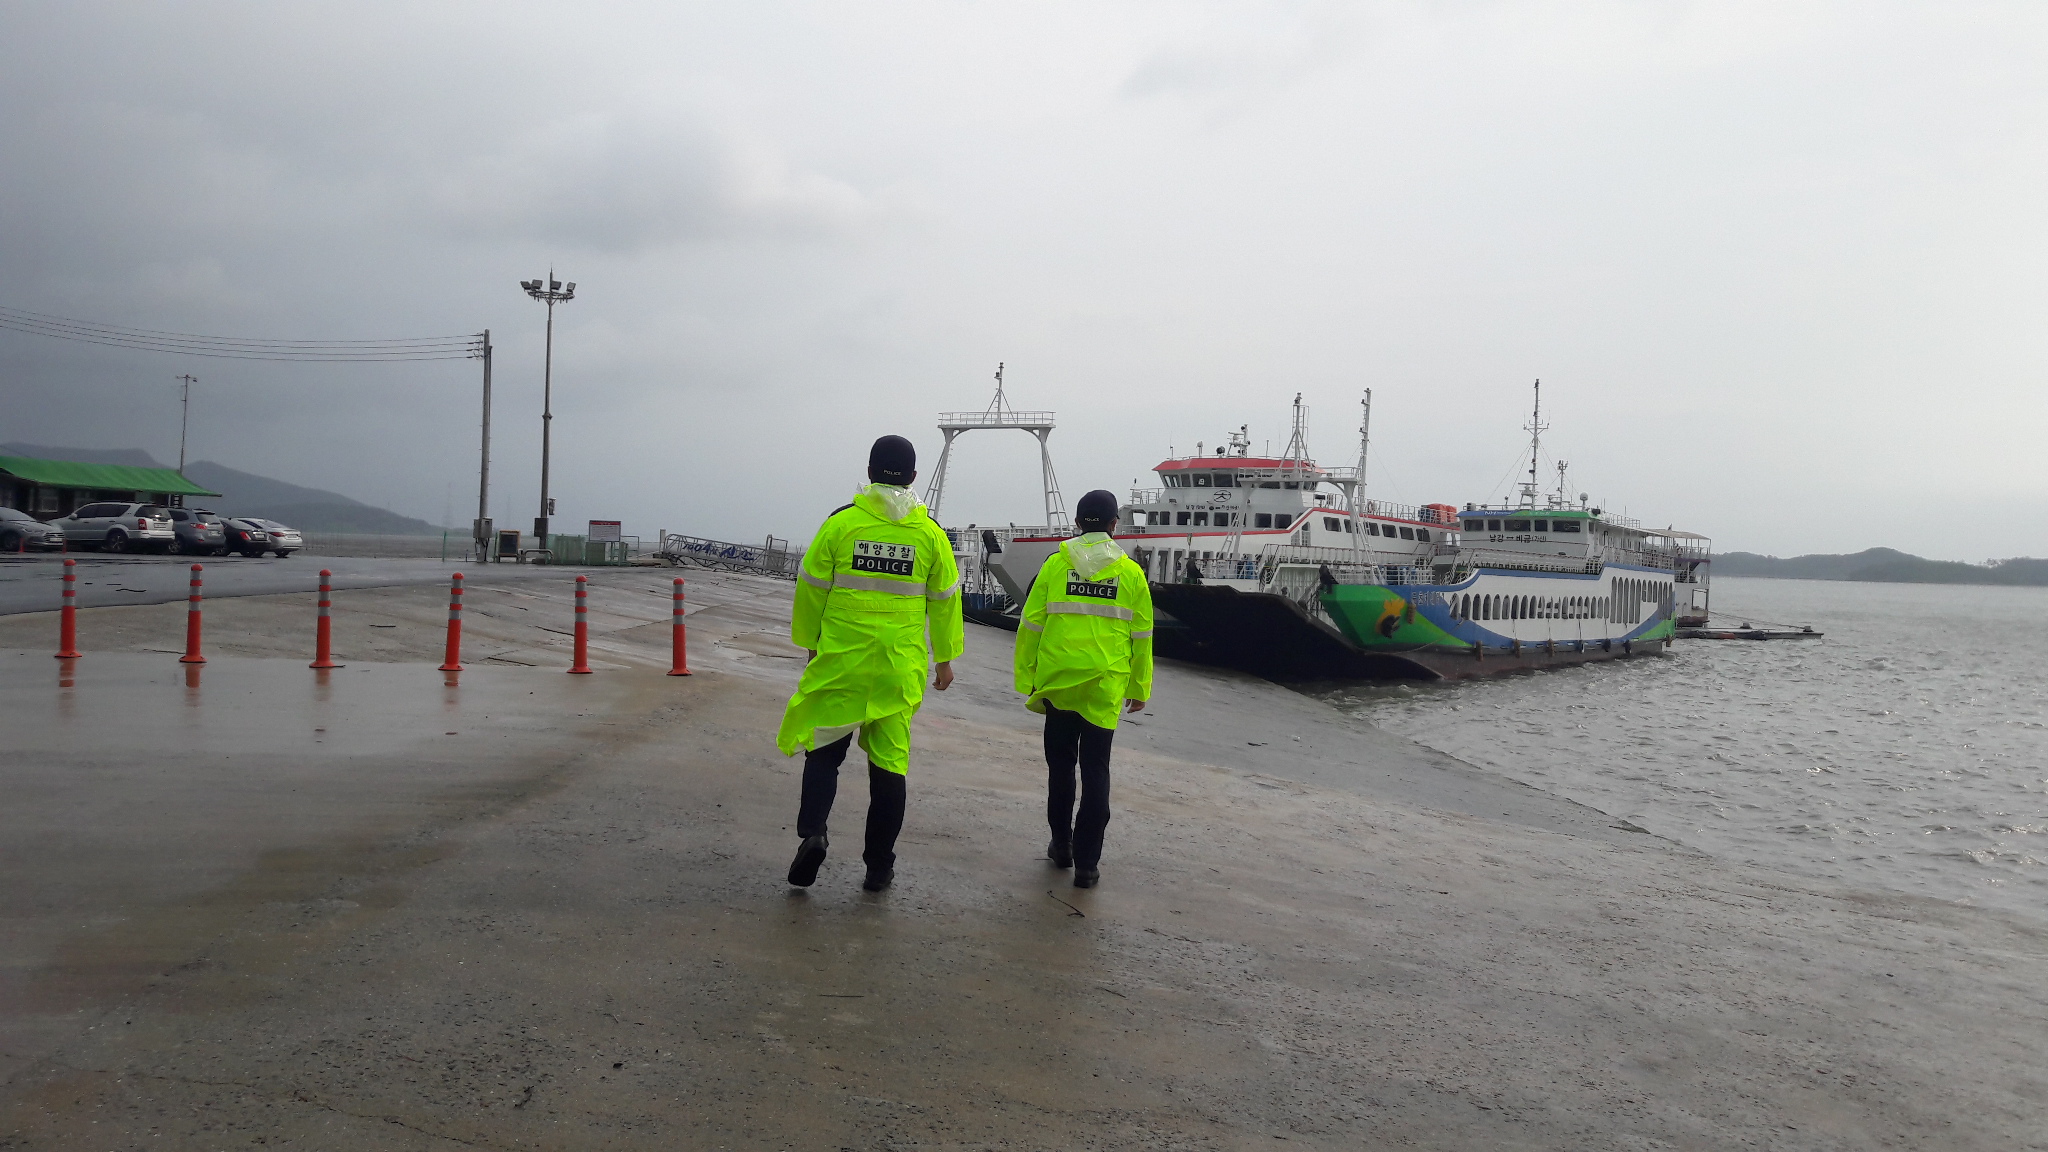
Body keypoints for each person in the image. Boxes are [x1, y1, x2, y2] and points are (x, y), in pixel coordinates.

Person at [776, 435, 964, 892]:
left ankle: (814, 833)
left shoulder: (841, 525)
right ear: (914, 477)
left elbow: (810, 587)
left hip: (843, 660)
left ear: (869, 471)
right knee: (889, 767)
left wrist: (811, 643)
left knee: (824, 751)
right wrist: (944, 659)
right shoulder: (930, 535)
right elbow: (945, 601)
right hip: (898, 668)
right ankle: (879, 868)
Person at [1013, 490, 1153, 889]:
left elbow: (1031, 624)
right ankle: (1088, 864)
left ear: (1076, 523)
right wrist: (1139, 686)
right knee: (1096, 770)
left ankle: (1062, 845)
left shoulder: (1055, 565)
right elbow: (1142, 636)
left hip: (1058, 679)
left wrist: (1026, 676)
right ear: (1114, 525)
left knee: (1060, 767)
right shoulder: (1130, 574)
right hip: (1104, 683)